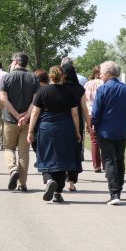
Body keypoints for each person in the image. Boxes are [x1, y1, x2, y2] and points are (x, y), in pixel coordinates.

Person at [27, 66, 81, 203]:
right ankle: (58, 193)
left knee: (44, 156)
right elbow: (75, 113)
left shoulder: (42, 91)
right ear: (63, 76)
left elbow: (35, 112)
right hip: (65, 128)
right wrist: (77, 132)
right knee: (62, 160)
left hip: (46, 128)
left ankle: (49, 179)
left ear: (50, 76)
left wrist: (30, 131)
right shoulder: (70, 92)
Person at [92, 61, 126, 205]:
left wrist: (95, 124)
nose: (100, 75)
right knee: (119, 159)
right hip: (121, 131)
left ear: (108, 73)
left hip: (105, 131)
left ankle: (114, 194)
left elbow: (96, 111)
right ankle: (118, 190)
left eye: (101, 72)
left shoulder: (102, 89)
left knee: (109, 160)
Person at [0, 52, 39, 192]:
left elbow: (4, 99)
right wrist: (26, 116)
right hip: (27, 122)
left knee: (9, 148)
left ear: (15, 62)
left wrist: (17, 116)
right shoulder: (34, 78)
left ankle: (12, 169)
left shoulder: (7, 77)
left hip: (10, 120)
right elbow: (35, 100)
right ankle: (22, 184)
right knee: (24, 152)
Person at [61, 62, 90, 191]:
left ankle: (60, 179)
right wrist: (89, 124)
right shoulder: (80, 89)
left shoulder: (59, 87)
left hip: (61, 122)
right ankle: (71, 182)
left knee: (61, 151)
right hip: (76, 124)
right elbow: (84, 109)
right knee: (74, 152)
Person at [85, 65, 104, 172]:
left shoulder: (88, 84)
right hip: (102, 113)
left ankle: (97, 165)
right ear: (98, 74)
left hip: (90, 113)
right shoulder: (103, 84)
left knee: (94, 140)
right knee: (105, 139)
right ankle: (106, 164)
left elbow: (84, 100)